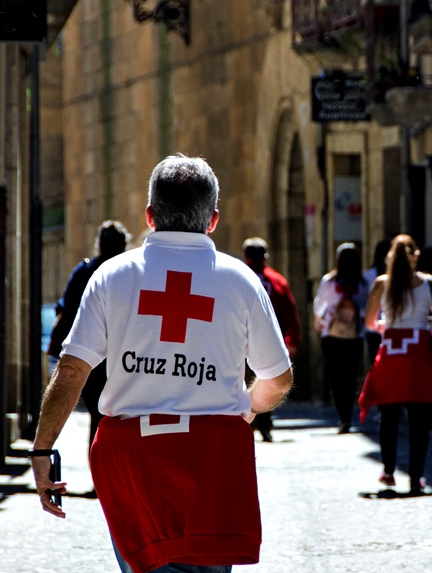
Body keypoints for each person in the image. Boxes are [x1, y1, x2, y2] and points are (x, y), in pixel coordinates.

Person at [31, 155, 294, 573]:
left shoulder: (112, 276)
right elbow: (277, 379)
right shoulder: (240, 280)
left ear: (150, 216)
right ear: (213, 220)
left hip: (132, 459)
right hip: (214, 456)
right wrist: (248, 408)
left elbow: (72, 370)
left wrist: (43, 447)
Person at [358, 234, 432, 493]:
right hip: (419, 353)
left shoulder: (381, 284)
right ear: (416, 256)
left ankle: (388, 471)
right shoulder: (428, 283)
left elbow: (369, 324)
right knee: (419, 417)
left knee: (388, 414)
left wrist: (387, 324)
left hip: (391, 353)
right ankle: (416, 477)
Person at [46, 220, 131, 455]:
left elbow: (65, 306)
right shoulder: (129, 274)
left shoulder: (85, 271)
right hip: (124, 355)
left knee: (96, 414)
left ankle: (98, 473)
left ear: (99, 245)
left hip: (90, 355)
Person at [242, 237, 301, 443]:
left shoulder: (239, 278)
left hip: (240, 344)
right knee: (267, 379)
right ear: (265, 257)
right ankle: (265, 424)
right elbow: (289, 311)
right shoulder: (277, 281)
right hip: (269, 342)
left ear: (245, 256)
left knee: (242, 383)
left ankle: (244, 425)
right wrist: (292, 339)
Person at [313, 243, 368, 434]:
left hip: (332, 335)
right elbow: (367, 310)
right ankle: (348, 415)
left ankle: (342, 417)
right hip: (355, 335)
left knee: (336, 378)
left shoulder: (330, 282)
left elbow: (319, 306)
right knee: (350, 376)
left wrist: (318, 321)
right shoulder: (361, 284)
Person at [362, 239, 392, 361]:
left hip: (373, 329)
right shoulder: (397, 278)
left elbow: (363, 301)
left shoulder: (368, 276)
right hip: (390, 328)